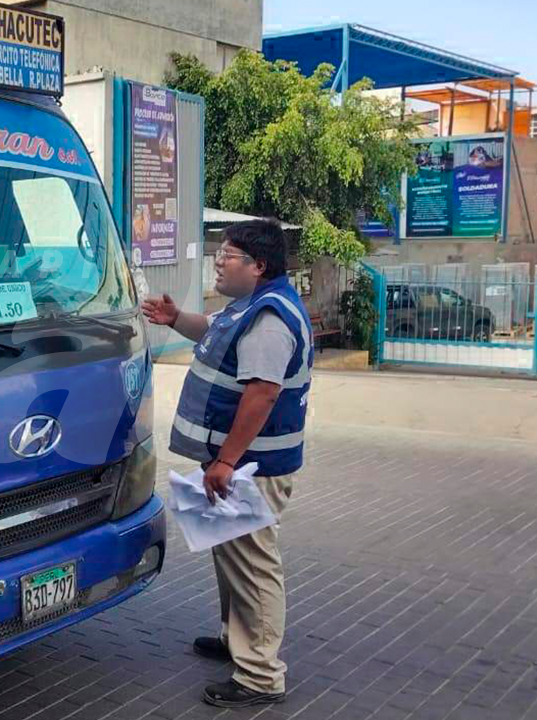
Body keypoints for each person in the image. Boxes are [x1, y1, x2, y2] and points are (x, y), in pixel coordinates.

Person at [141, 219, 313, 709]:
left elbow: (261, 394)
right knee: (231, 553)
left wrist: (228, 461)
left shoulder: (270, 319)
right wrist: (177, 318)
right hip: (235, 464)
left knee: (253, 564)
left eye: (229, 254)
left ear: (258, 266)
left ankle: (259, 674)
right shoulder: (247, 308)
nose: (219, 260)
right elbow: (215, 334)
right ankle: (235, 637)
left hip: (249, 468)